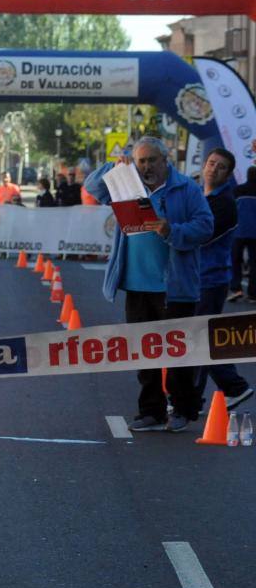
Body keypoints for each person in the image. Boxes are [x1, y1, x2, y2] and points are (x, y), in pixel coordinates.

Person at [84, 136, 213, 432]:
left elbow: (205, 226)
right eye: (141, 161)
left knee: (179, 352)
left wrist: (173, 230)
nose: (146, 167)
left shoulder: (187, 189)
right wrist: (113, 167)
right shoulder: (126, 185)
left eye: (151, 160)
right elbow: (92, 187)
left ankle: (182, 409)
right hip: (136, 283)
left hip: (174, 286)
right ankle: (151, 411)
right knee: (144, 351)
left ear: (165, 160)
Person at [194, 149, 253, 410]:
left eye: (220, 167)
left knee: (196, 339)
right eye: (211, 163)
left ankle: (190, 401)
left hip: (211, 279)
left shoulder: (225, 204)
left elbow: (200, 236)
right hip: (196, 278)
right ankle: (234, 386)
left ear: (228, 174)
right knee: (200, 337)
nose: (213, 169)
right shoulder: (199, 195)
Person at [229, 165, 256, 303]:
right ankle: (253, 294)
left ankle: (236, 289)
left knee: (235, 261)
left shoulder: (238, 190)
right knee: (254, 263)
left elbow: (231, 212)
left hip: (238, 232)